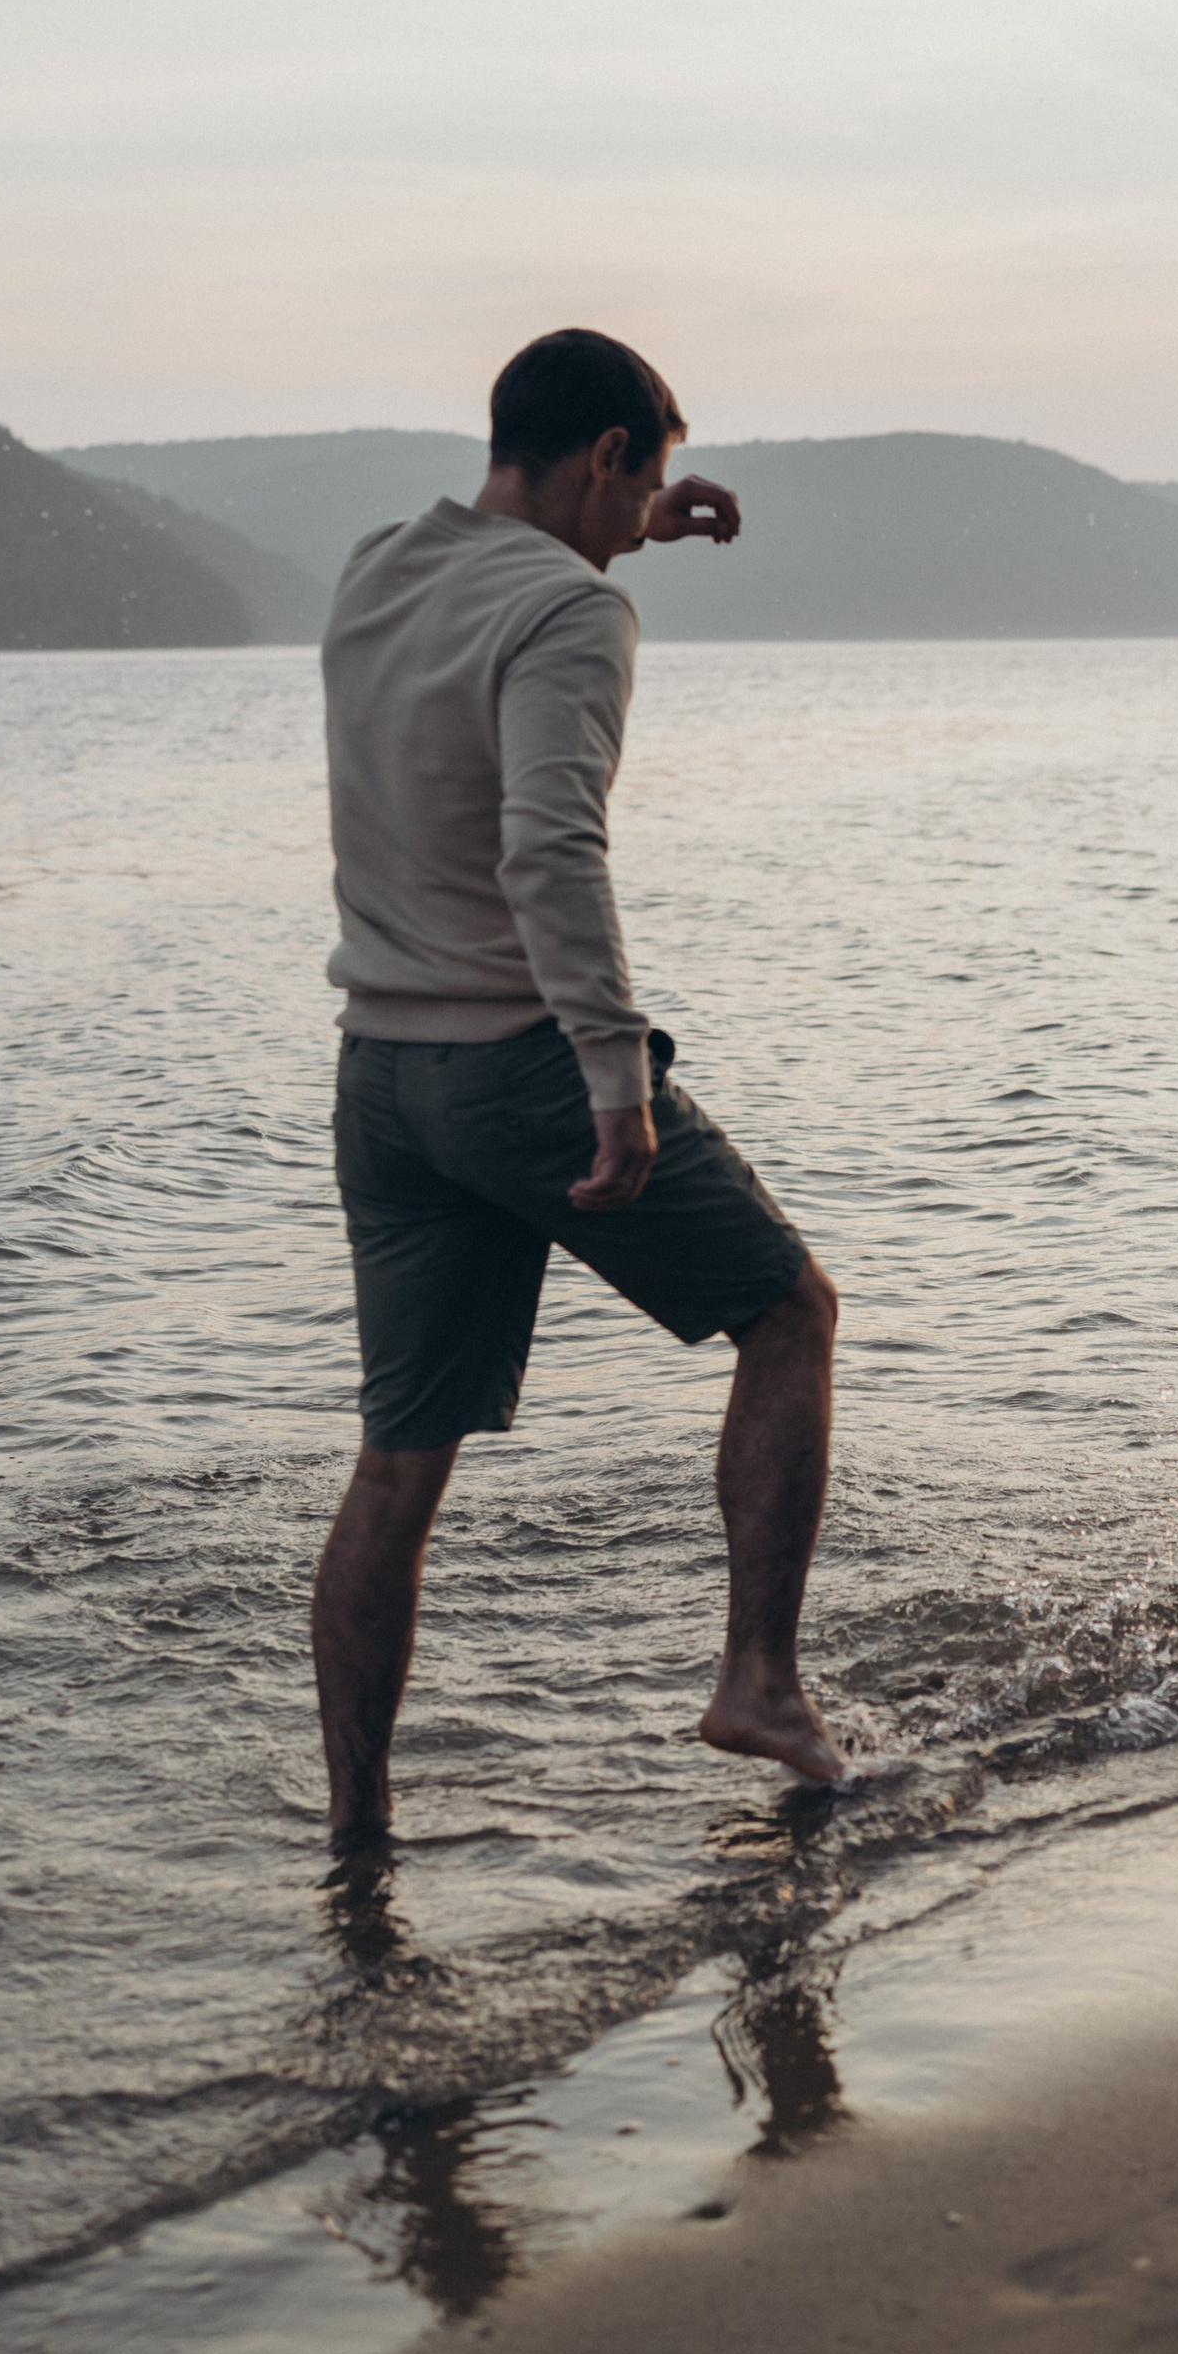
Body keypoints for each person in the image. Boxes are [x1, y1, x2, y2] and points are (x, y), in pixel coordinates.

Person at [310, 325, 846, 1849]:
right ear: (607, 455)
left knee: (397, 1468)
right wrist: (616, 1076)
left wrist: (630, 526)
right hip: (519, 1067)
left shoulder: (375, 569)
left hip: (381, 1080)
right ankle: (758, 1682)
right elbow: (549, 846)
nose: (646, 510)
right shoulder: (572, 611)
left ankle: (356, 1833)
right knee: (790, 1313)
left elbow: (499, 576)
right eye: (644, 476)